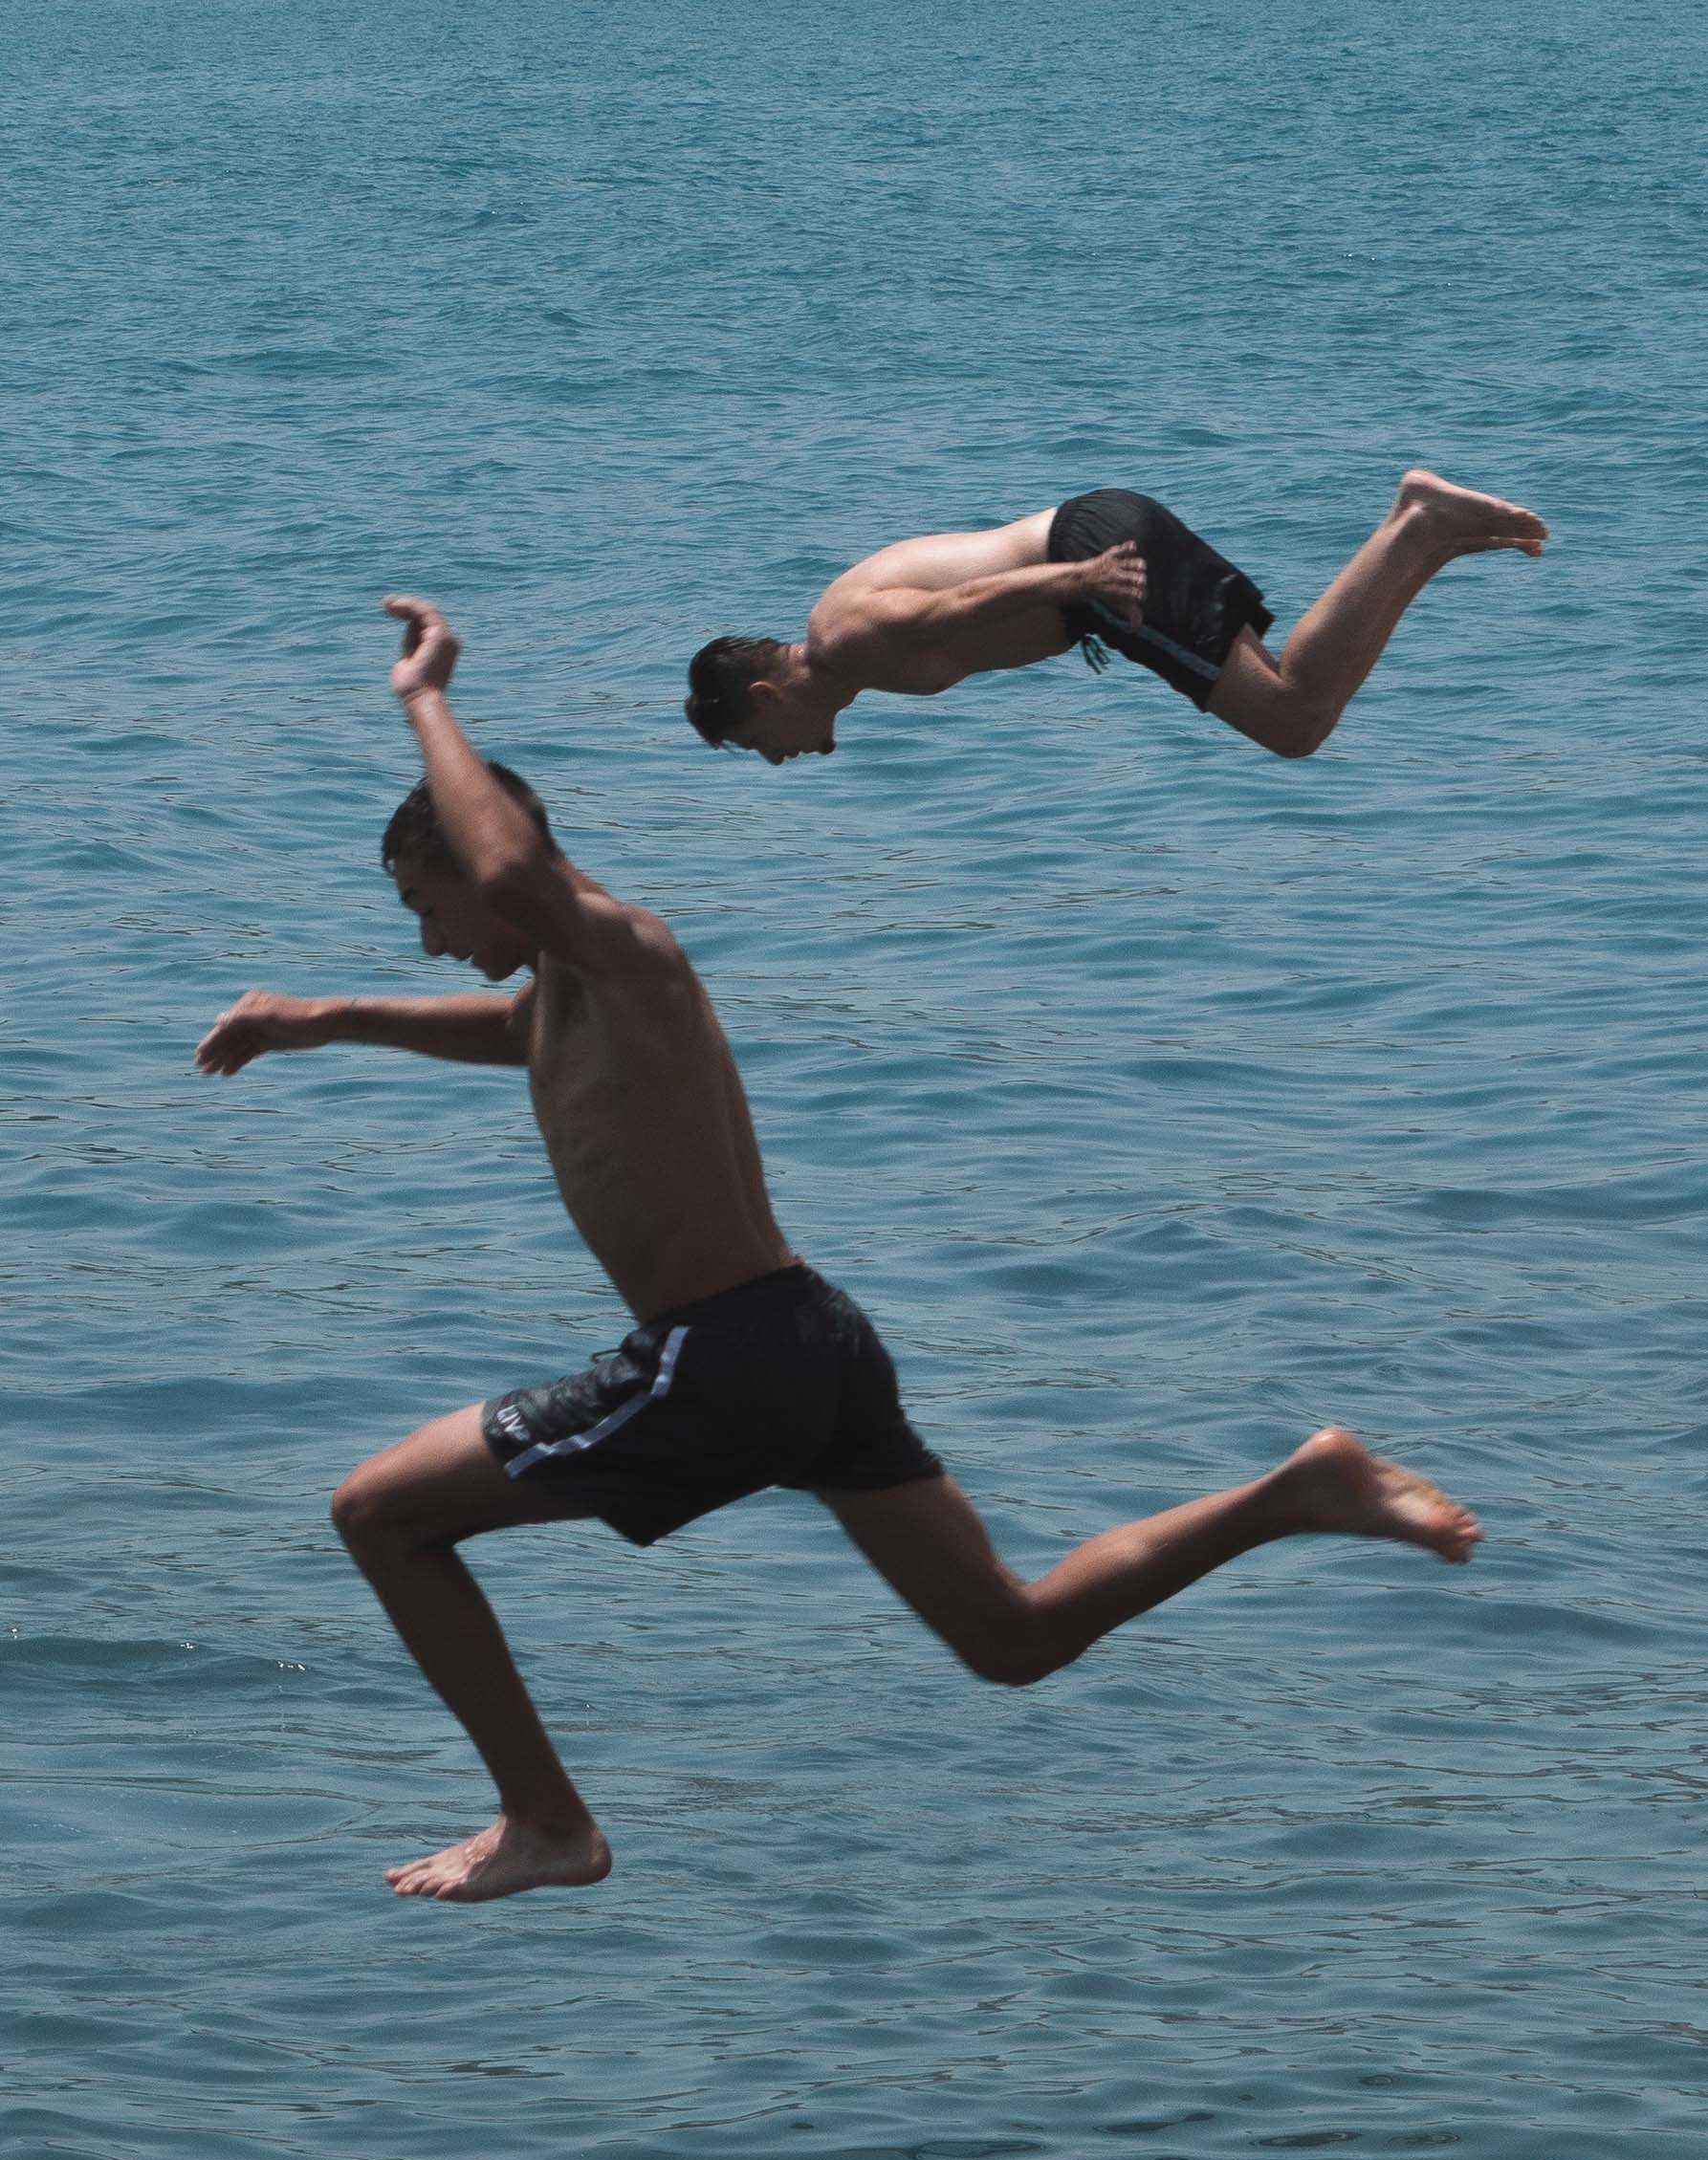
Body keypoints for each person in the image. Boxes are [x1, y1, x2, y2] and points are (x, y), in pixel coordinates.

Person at [197, 597, 1481, 1906]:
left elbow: (520, 880)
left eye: (427, 903)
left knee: (378, 1515)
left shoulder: (621, 940)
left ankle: (544, 1821)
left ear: (487, 857)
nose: (430, 941)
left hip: (722, 1357)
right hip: (811, 1340)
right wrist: (322, 1019)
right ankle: (1296, 1491)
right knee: (1008, 1635)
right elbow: (502, 1032)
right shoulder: (580, 998)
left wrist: (425, 699)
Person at [684, 469, 1546, 765]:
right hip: (1092, 557)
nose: (782, 758)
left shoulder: (847, 639)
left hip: (1095, 562)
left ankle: (1417, 525)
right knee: (1296, 710)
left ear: (766, 694)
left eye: (763, 747)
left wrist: (1083, 578)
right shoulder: (844, 652)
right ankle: (1424, 541)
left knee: (1293, 719)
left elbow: (957, 603)